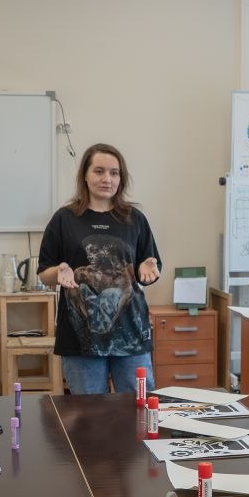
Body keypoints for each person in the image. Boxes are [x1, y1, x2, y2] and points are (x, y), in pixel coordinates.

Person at [38, 142, 163, 394]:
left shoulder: (134, 219)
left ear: (121, 178)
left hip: (131, 337)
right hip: (81, 340)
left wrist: (150, 267)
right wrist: (59, 271)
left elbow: (148, 267)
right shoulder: (64, 219)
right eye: (99, 171)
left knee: (137, 410)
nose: (107, 178)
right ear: (85, 175)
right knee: (88, 419)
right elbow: (44, 271)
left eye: (114, 173)